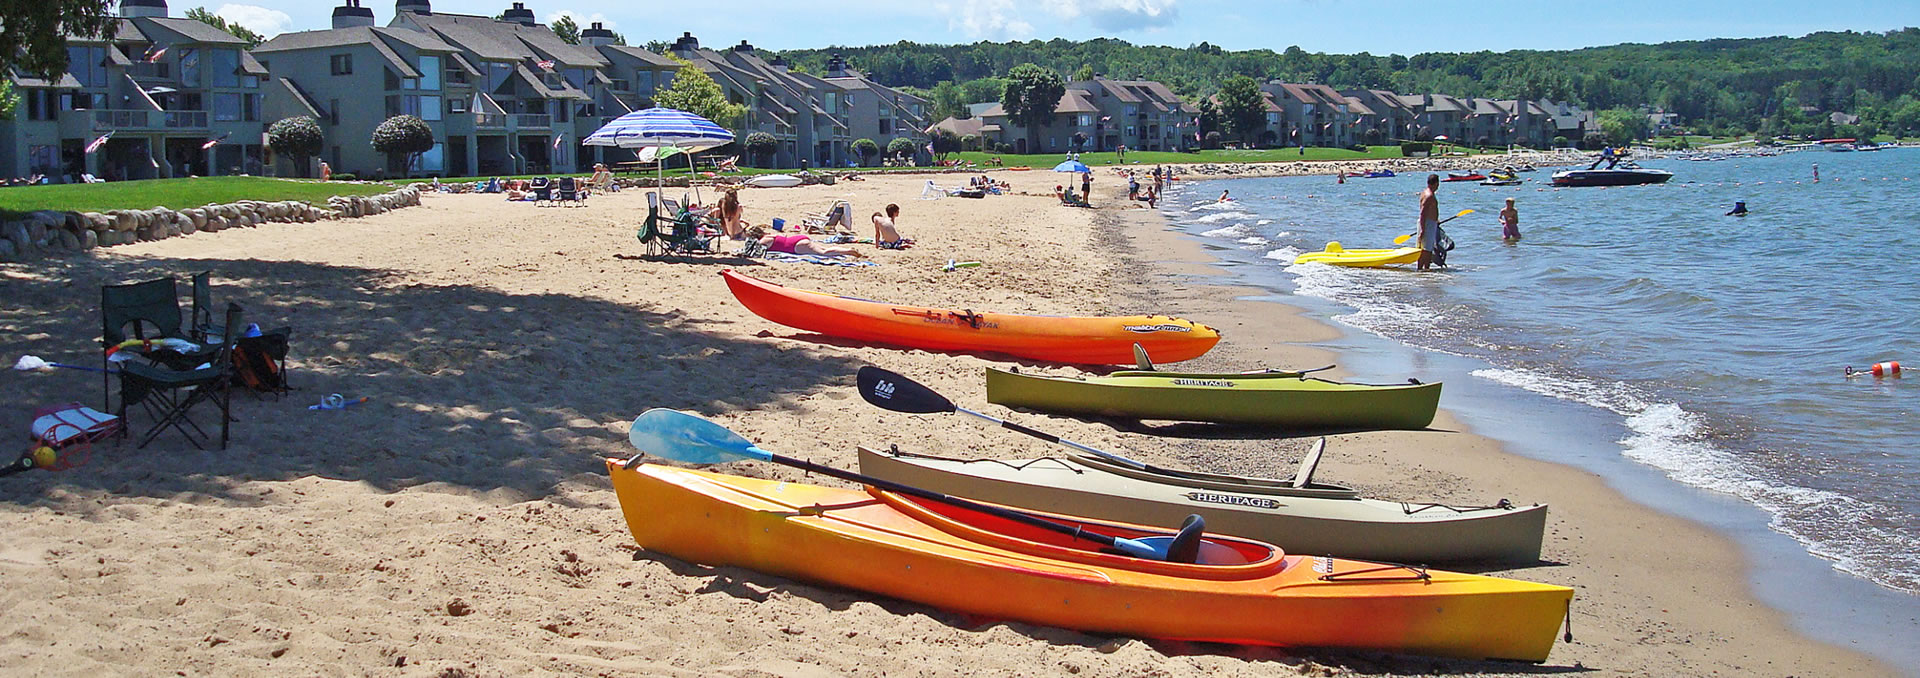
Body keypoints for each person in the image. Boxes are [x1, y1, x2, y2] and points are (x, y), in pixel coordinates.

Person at [749, 226, 865, 258]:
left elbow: (755, 252)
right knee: (824, 249)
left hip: (795, 246)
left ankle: (848, 252)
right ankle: (847, 251)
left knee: (823, 253)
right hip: (797, 239)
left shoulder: (763, 240)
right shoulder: (770, 235)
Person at [1417, 174, 1441, 271]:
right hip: (1427, 224)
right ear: (1436, 183)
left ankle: (1424, 270)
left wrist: (1436, 220)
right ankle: (1424, 269)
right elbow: (1423, 213)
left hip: (1429, 222)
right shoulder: (1429, 196)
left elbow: (1429, 211)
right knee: (1426, 250)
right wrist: (1423, 229)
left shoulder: (1425, 192)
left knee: (1426, 248)